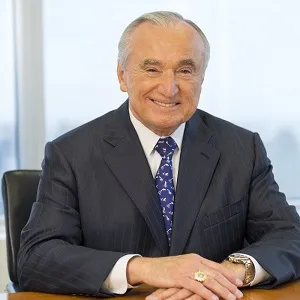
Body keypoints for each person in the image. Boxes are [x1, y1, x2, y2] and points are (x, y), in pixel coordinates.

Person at [17, 11, 300, 300]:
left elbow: (291, 236)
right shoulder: (71, 154)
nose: (169, 88)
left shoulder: (242, 148)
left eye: (186, 70)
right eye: (152, 69)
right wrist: (143, 269)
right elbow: (36, 257)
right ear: (122, 76)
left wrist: (229, 273)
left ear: (202, 77)